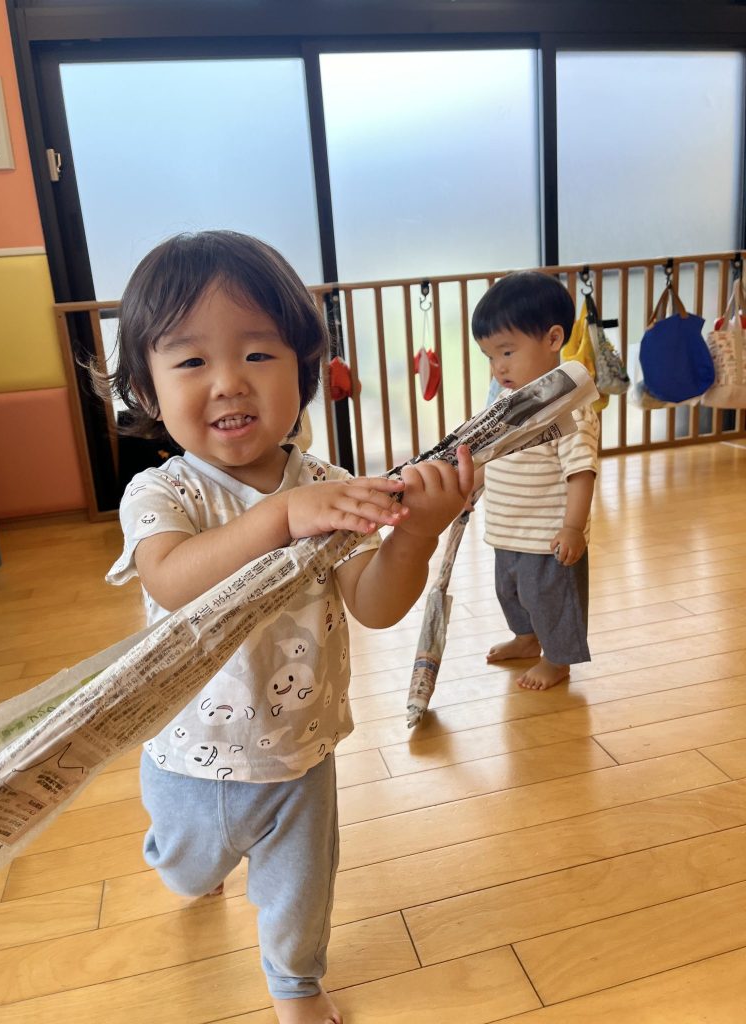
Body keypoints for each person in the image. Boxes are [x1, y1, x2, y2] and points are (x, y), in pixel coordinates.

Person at [102, 230, 473, 1024]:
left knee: (301, 888)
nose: (230, 382)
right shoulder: (162, 495)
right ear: (146, 387)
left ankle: (295, 988)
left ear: (304, 373)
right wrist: (278, 518)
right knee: (186, 869)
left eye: (259, 356)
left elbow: (373, 604)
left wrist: (415, 534)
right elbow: (171, 581)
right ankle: (186, 869)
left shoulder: (326, 486)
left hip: (299, 750)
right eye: (192, 361)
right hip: (187, 755)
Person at [471, 270, 599, 691]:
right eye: (490, 357)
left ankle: (557, 659)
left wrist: (573, 527)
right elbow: (492, 453)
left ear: (552, 339)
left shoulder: (569, 407)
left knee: (551, 599)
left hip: (547, 535)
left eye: (506, 352)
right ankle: (525, 639)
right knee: (511, 592)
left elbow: (580, 471)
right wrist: (473, 484)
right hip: (507, 528)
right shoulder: (508, 401)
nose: (498, 367)